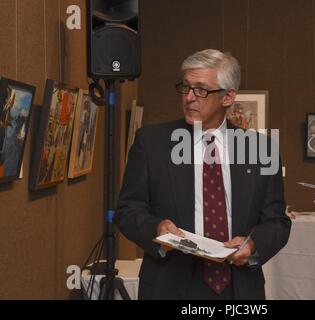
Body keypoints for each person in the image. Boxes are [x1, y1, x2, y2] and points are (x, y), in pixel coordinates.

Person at [114, 49, 291, 299]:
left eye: (201, 90)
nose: (189, 97)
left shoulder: (262, 149)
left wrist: (253, 244)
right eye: (185, 87)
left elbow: (277, 221)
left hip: (238, 289)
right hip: (171, 284)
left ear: (228, 97)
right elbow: (127, 211)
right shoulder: (151, 143)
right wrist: (156, 228)